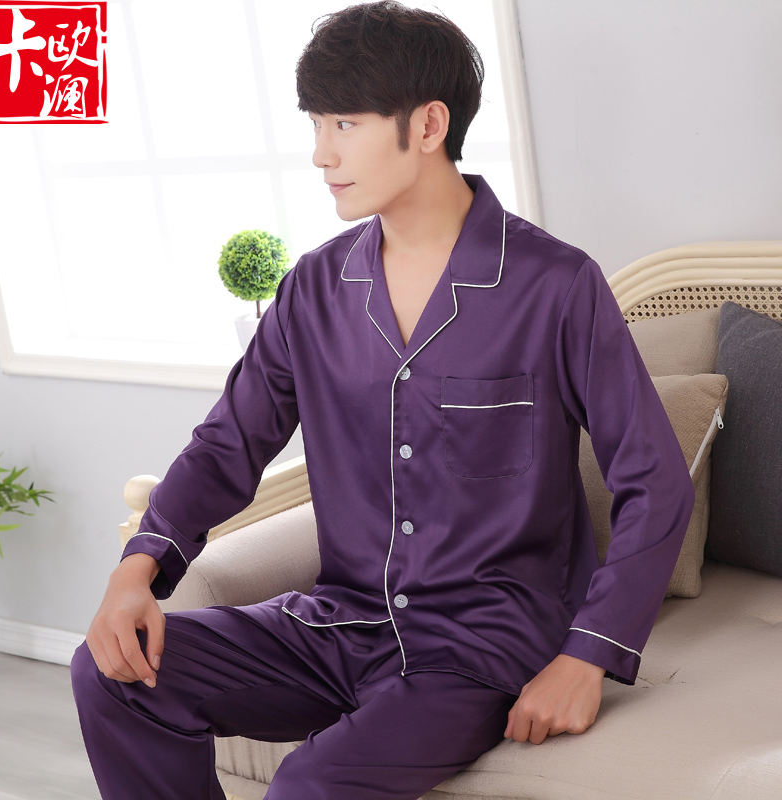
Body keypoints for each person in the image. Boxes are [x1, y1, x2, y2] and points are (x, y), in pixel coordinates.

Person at [70, 3, 696, 799]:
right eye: (316, 123)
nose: (320, 152)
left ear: (428, 125)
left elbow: (654, 481)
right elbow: (230, 443)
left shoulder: (555, 285)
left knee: (309, 787)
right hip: (341, 623)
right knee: (110, 672)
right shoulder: (314, 288)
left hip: (482, 646)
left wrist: (586, 656)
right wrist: (138, 568)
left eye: (345, 123)